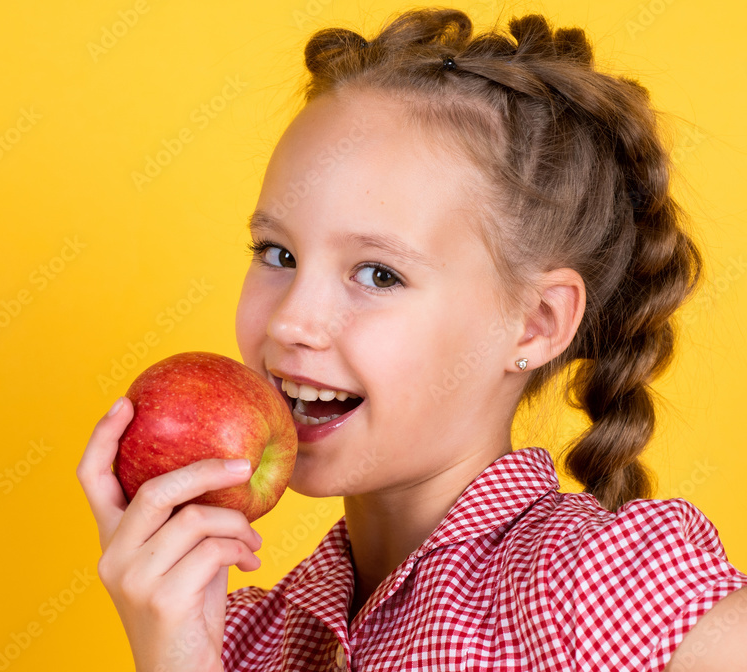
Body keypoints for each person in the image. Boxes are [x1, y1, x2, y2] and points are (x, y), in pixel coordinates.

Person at [78, 7, 747, 671]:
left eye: (378, 273)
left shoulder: (601, 590)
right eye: (278, 254)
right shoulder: (237, 642)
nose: (289, 323)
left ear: (536, 321)